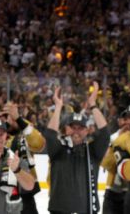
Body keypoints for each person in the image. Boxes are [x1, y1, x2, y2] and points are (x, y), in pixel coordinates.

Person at [44, 83, 109, 214]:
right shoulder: (58, 149)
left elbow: (105, 133)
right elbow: (50, 134)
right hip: (59, 210)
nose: (76, 131)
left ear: (86, 130)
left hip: (87, 209)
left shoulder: (93, 151)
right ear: (66, 129)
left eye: (80, 128)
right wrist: (58, 107)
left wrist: (93, 104)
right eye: (73, 127)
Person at [100, 114, 129, 214]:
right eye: (124, 119)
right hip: (113, 190)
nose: (126, 122)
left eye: (129, 119)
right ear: (119, 121)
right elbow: (105, 163)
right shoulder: (112, 138)